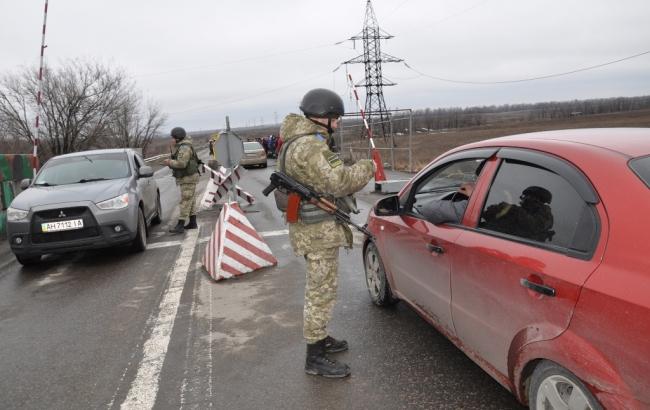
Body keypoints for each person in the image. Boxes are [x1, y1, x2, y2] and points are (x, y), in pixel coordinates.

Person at [278, 88, 374, 378]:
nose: (339, 123)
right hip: (317, 231)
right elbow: (340, 182)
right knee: (321, 292)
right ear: (323, 118)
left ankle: (320, 339)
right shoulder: (309, 146)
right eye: (336, 118)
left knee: (321, 289)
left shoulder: (296, 140)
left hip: (311, 229)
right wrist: (366, 167)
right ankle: (315, 356)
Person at [482, 185, 554, 242]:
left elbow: (534, 226)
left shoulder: (545, 215)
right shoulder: (521, 212)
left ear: (535, 199)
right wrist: (499, 209)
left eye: (526, 196)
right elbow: (487, 215)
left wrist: (513, 209)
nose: (522, 199)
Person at [163, 127, 200, 234]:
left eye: (173, 138)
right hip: (188, 177)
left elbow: (181, 163)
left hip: (188, 178)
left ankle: (180, 225)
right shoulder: (183, 146)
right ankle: (193, 222)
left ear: (178, 138)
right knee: (191, 200)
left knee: (185, 201)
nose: (171, 140)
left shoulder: (184, 148)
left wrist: (169, 162)